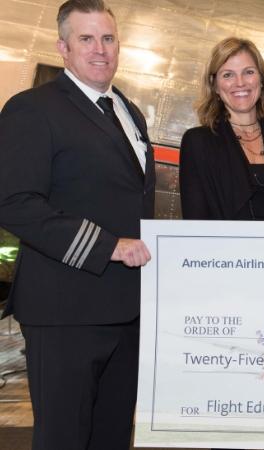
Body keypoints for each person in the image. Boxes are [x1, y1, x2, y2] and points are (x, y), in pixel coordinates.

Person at [0, 0, 155, 448]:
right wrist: (107, 245)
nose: (99, 49)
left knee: (111, 436)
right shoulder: (33, 108)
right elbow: (14, 202)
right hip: (64, 309)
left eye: (108, 38)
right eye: (86, 39)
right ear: (63, 47)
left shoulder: (129, 110)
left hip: (126, 310)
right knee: (64, 438)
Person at [180, 37, 264, 221]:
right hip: (225, 250)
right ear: (215, 85)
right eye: (228, 75)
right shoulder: (198, 142)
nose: (240, 83)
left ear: (261, 79)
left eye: (248, 72)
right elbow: (195, 219)